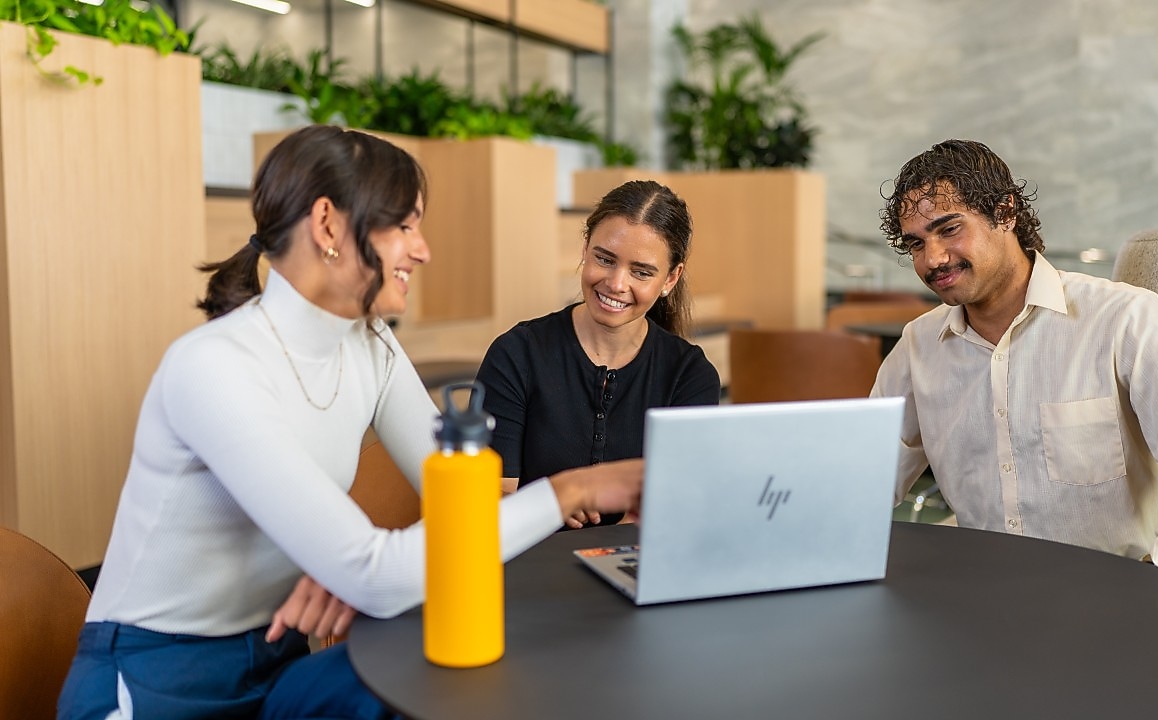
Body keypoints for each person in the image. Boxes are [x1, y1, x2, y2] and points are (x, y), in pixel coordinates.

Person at [57, 125, 642, 720]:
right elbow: (377, 576)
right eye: (405, 226)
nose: (422, 249)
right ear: (329, 226)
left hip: (277, 652)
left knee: (456, 676)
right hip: (153, 676)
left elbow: (466, 515)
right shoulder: (213, 366)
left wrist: (342, 563)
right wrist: (573, 489)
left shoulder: (370, 345)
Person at [870, 139, 1158, 586]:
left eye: (950, 229)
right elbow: (866, 483)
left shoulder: (1125, 319)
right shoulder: (919, 347)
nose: (933, 259)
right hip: (980, 600)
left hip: (1111, 604)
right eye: (916, 244)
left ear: (1005, 212)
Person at [475, 180, 721, 528]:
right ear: (585, 248)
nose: (617, 284)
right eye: (604, 259)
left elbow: (673, 508)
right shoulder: (517, 354)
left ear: (670, 279)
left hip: (633, 565)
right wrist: (552, 505)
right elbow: (490, 502)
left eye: (641, 272)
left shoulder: (689, 375)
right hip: (532, 562)